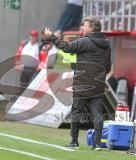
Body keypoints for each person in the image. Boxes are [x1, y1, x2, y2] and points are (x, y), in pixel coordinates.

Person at [44, 16, 111, 150]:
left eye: (84, 26)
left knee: (76, 111)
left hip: (83, 82)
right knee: (97, 114)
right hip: (98, 83)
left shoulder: (85, 41)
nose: (82, 28)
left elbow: (66, 47)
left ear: (92, 28)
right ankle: (97, 144)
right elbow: (108, 66)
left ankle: (74, 141)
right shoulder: (106, 43)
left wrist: (52, 37)